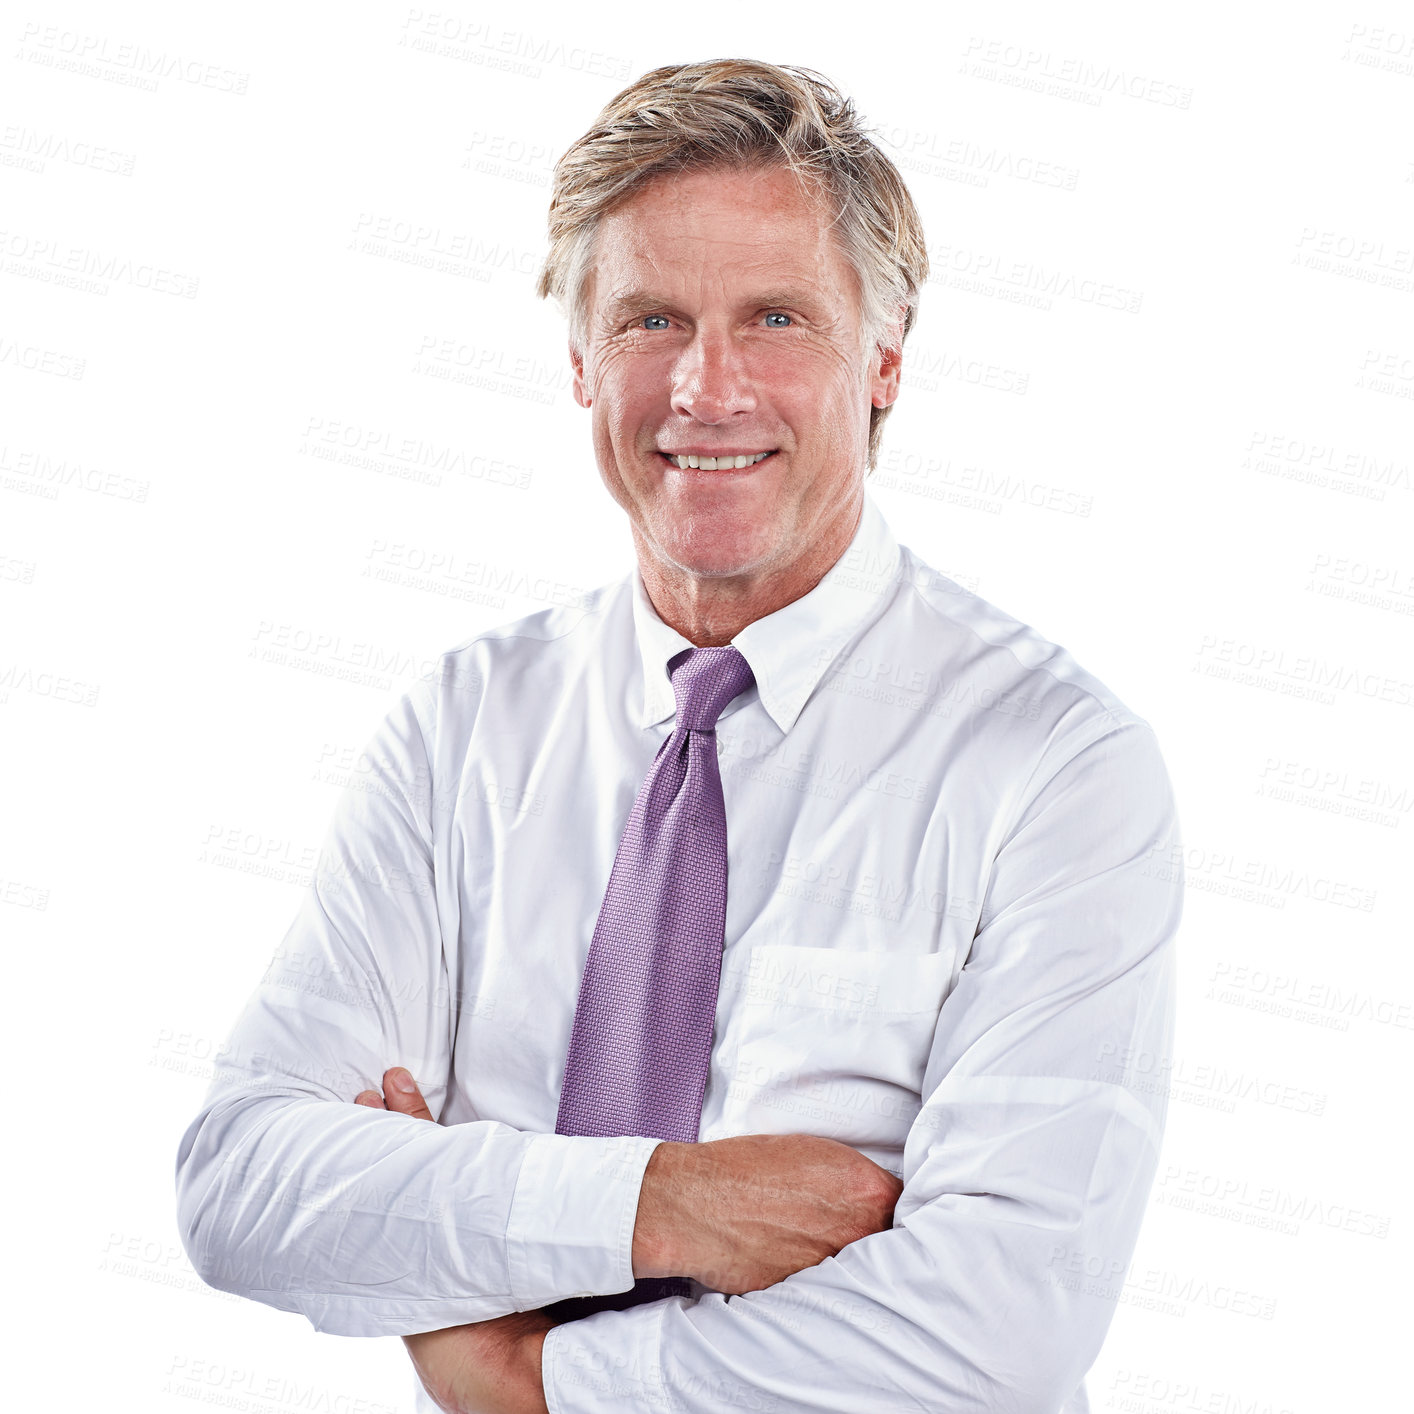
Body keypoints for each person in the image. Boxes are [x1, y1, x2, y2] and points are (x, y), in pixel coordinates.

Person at [174, 58, 1183, 1414]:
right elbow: (241, 1183)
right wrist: (667, 1201)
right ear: (581, 360)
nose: (708, 387)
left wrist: (523, 1374)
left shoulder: (1055, 770)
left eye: (776, 317)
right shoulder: (465, 726)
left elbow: (992, 1337)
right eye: (651, 318)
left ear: (883, 357)